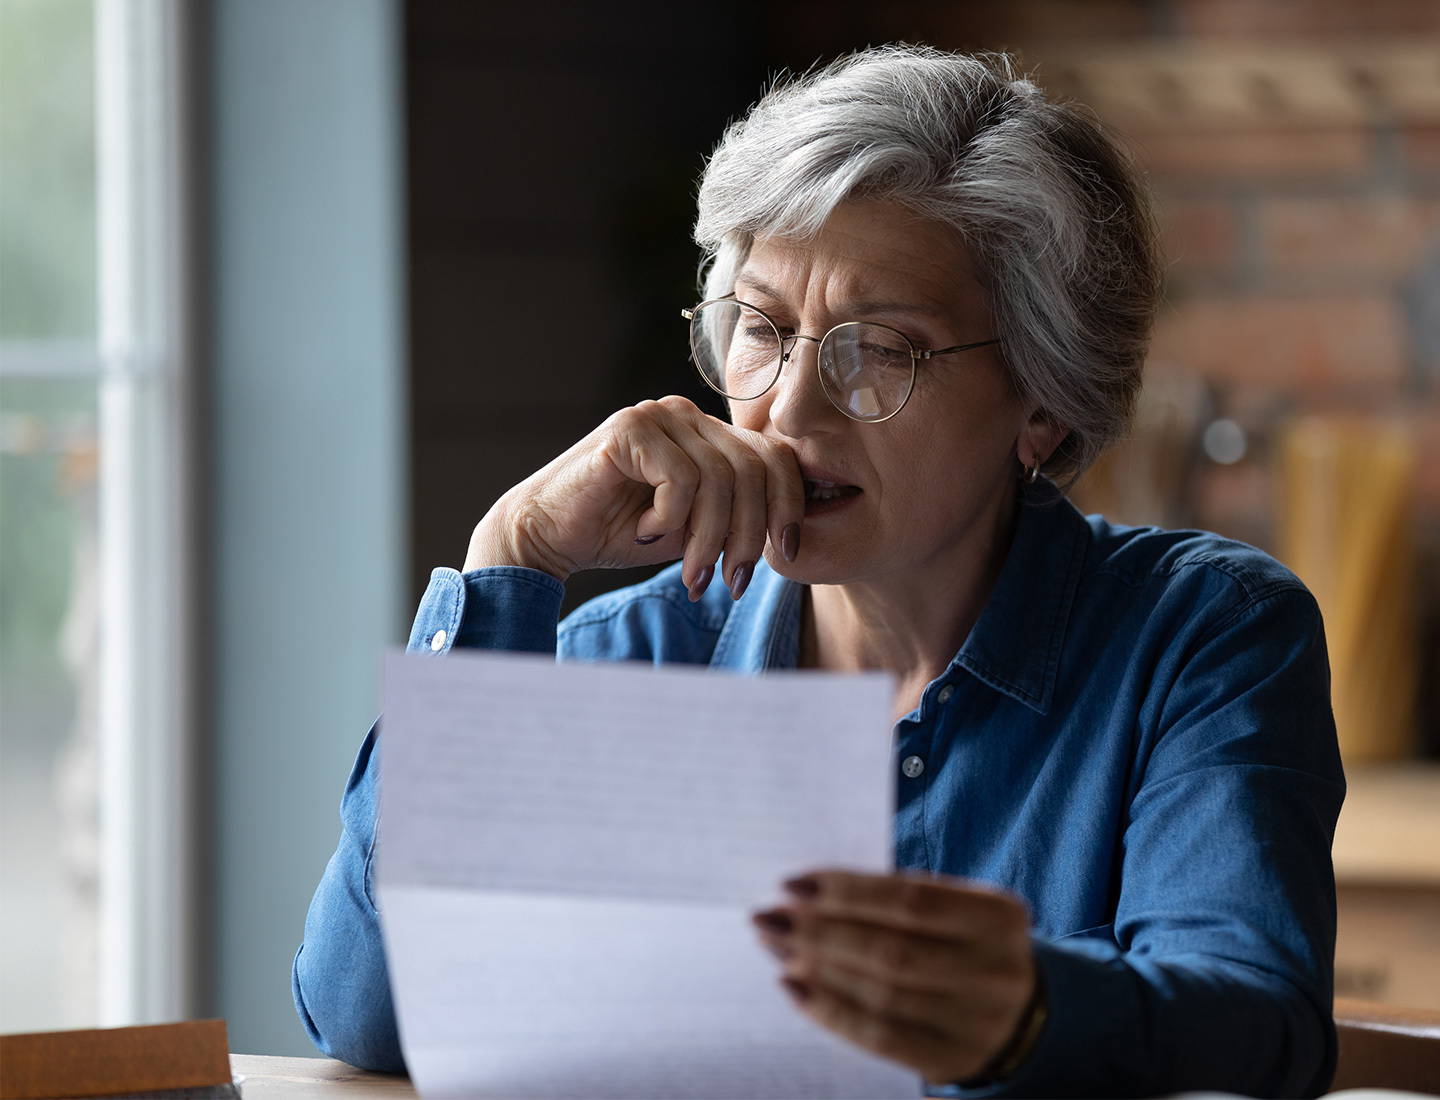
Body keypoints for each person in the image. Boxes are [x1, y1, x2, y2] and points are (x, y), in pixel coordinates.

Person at [292, 45, 1343, 1096]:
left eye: (879, 348)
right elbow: (368, 1013)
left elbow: (1256, 1026)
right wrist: (510, 553)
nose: (789, 411)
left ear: (1043, 401)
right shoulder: (633, 657)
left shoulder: (1203, 636)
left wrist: (1026, 1012)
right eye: (761, 329)